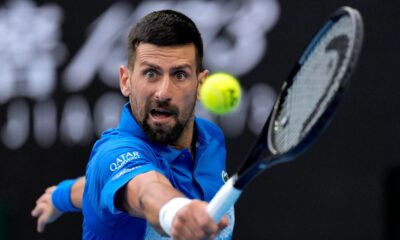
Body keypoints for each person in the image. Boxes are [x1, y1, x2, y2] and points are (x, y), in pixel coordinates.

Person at [31, 9, 234, 240]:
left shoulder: (210, 138)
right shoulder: (112, 153)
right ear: (126, 81)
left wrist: (62, 196)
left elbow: (98, 185)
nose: (163, 93)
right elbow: (145, 189)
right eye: (151, 73)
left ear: (200, 84)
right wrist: (174, 211)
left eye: (179, 75)